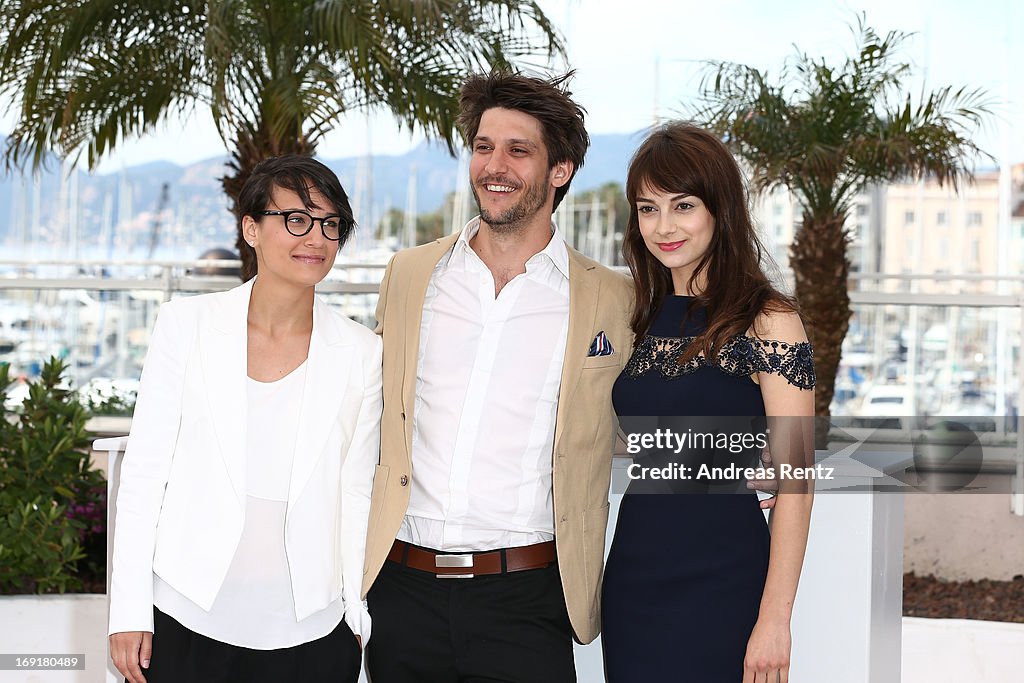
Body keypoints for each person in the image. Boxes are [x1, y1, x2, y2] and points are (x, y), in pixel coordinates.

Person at [360, 71, 634, 682]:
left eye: (518, 149)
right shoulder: (410, 275)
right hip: (401, 590)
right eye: (484, 147)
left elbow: (656, 404)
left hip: (528, 598)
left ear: (560, 169)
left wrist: (758, 457)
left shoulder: (613, 300)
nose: (494, 166)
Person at [108, 155, 382, 683]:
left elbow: (356, 493)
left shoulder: (361, 352)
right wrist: (128, 611)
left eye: (330, 224)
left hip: (312, 626)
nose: (316, 238)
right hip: (187, 612)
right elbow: (144, 478)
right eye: (296, 219)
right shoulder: (185, 326)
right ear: (251, 228)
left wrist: (355, 612)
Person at [600, 123, 815, 682]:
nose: (664, 226)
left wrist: (775, 620)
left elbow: (796, 478)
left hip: (726, 583)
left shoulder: (769, 319)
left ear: (721, 209)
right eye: (648, 209)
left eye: (683, 205)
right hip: (634, 578)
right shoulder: (640, 316)